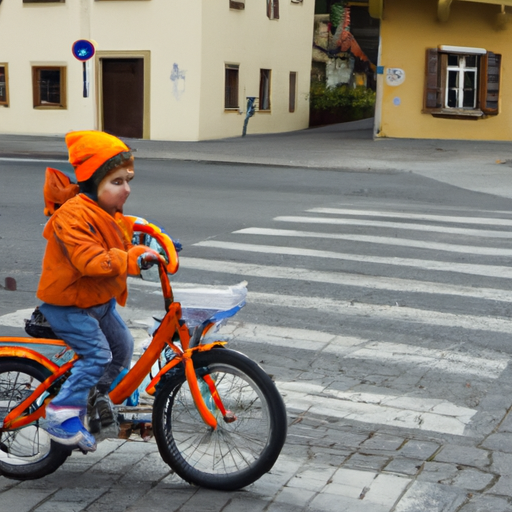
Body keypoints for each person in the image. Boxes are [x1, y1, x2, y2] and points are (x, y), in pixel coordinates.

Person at [37, 130, 160, 452]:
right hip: (69, 304)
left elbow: (124, 233)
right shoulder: (73, 216)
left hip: (98, 301)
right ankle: (60, 413)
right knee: (97, 355)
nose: (127, 189)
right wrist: (131, 259)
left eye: (128, 180)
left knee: (122, 348)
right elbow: (90, 259)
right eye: (117, 182)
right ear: (93, 183)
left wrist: (155, 241)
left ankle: (93, 394)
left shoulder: (107, 212)